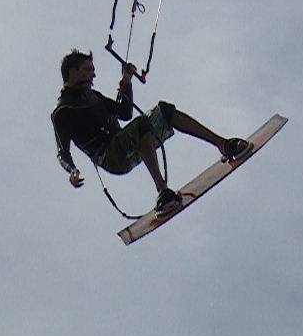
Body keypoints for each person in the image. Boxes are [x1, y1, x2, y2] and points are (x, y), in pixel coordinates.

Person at [51, 49, 250, 214]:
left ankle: (222, 144)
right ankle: (163, 191)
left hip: (127, 143)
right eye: (88, 70)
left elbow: (124, 113)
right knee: (140, 125)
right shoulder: (62, 112)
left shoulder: (94, 96)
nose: (93, 75)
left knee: (164, 110)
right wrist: (72, 170)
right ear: (72, 72)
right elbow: (62, 153)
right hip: (110, 158)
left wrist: (126, 81)